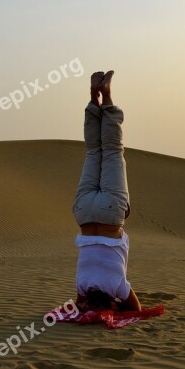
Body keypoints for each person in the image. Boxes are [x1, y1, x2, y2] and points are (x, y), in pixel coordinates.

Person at [72, 70, 142, 312]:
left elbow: (136, 309)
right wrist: (85, 306)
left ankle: (107, 94)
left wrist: (118, 307)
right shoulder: (82, 286)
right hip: (83, 213)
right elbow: (79, 304)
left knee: (112, 150)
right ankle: (93, 98)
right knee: (93, 151)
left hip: (110, 214)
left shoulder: (117, 287)